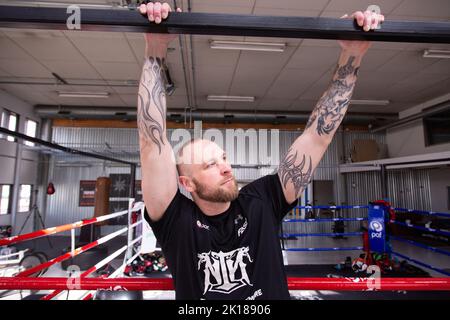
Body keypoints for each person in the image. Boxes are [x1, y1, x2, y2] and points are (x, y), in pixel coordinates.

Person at [137, 2, 384, 300]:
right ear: (186, 183)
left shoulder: (261, 201)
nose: (226, 168)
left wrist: (353, 55)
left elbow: (318, 137)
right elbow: (152, 143)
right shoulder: (175, 220)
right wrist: (156, 45)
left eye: (224, 159)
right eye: (209, 165)